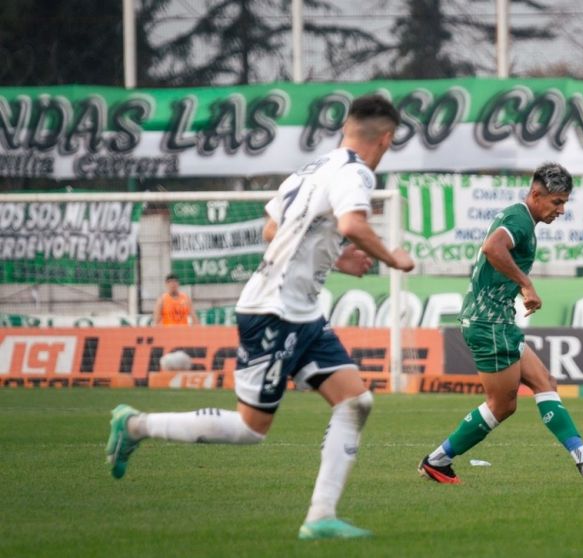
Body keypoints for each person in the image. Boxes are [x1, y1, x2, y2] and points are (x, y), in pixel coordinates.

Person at [105, 95, 415, 541]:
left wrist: (336, 260)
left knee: (355, 401)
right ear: (386, 138)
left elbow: (272, 227)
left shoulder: (316, 167)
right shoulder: (356, 174)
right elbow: (352, 225)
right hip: (273, 311)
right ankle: (135, 425)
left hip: (301, 312)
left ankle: (320, 517)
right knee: (251, 429)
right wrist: (393, 258)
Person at [418, 163, 583, 485]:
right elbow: (492, 248)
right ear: (536, 194)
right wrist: (526, 284)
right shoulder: (519, 218)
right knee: (501, 405)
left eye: (565, 202)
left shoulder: (523, 220)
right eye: (557, 202)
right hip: (489, 323)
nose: (562, 210)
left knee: (545, 382)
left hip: (498, 320)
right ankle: (437, 460)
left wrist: (518, 286)